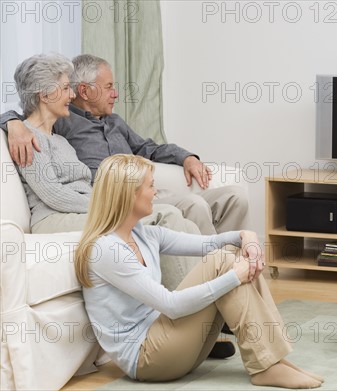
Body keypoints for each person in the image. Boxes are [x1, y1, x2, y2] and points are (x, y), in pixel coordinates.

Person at [10, 53, 235, 358]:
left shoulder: (59, 138)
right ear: (44, 94)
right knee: (164, 215)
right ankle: (188, 319)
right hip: (54, 218)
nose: (71, 94)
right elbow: (54, 195)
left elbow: (140, 152)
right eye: (65, 88)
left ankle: (207, 311)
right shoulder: (29, 137)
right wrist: (111, 207)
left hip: (82, 209)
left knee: (170, 215)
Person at [74, 154, 324, 388]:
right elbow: (170, 305)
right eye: (151, 186)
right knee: (223, 264)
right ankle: (266, 365)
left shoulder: (143, 234)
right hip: (146, 358)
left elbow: (207, 243)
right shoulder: (106, 250)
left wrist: (244, 237)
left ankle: (273, 360)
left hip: (170, 345)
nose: (156, 192)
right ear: (129, 195)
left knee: (230, 255)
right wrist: (234, 276)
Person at [1, 54, 248, 236]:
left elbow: (149, 148)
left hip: (132, 195)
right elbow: (30, 116)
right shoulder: (53, 128)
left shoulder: (96, 128)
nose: (115, 94)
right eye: (109, 87)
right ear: (84, 92)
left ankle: (219, 268)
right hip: (101, 204)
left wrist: (187, 157)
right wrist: (11, 122)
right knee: (186, 209)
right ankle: (209, 278)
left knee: (233, 196)